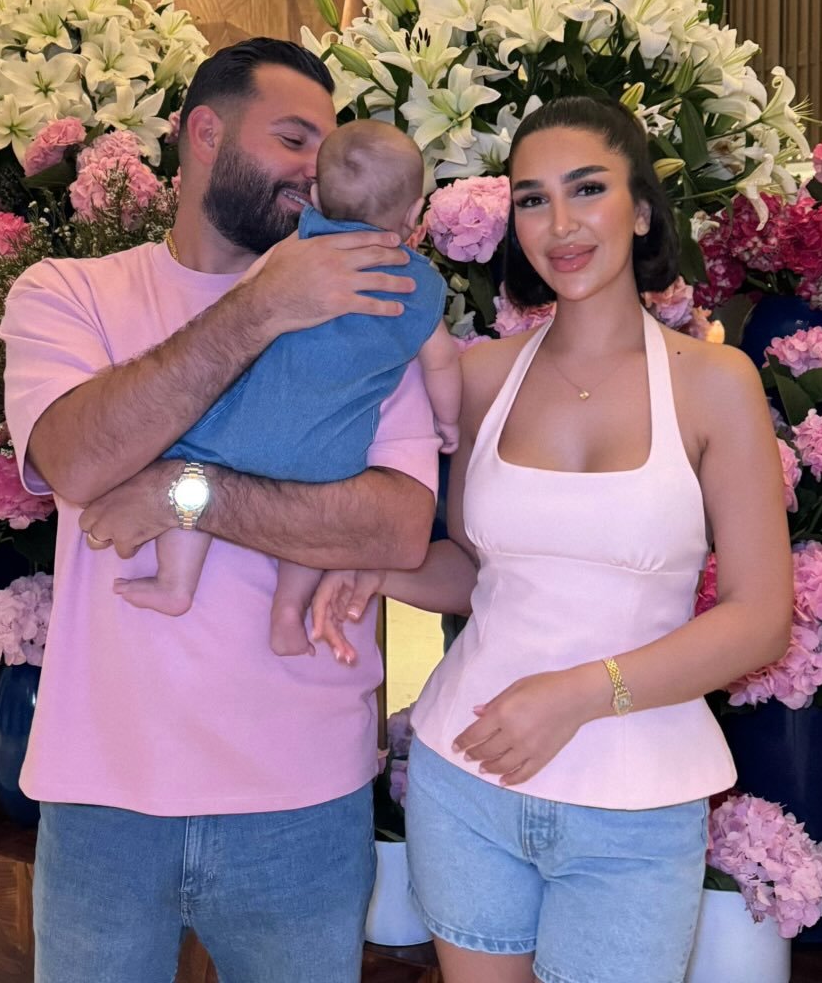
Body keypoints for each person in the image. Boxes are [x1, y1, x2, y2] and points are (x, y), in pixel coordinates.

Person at [313, 95, 793, 983]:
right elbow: (477, 570)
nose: (561, 225)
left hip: (636, 802)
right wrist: (374, 569)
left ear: (641, 210)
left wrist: (579, 695)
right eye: (532, 199)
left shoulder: (716, 383)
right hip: (467, 774)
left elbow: (761, 618)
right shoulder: (481, 376)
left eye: (588, 189)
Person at [0, 38, 441, 983]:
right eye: (293, 138)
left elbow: (396, 526)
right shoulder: (69, 293)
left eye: (325, 144)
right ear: (205, 133)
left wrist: (180, 494)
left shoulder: (365, 300)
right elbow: (76, 460)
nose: (316, 167)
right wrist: (261, 308)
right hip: (102, 792)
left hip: (303, 797)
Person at [116, 119, 460, 665]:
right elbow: (440, 361)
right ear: (415, 212)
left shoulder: (296, 250)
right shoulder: (418, 286)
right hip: (332, 450)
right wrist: (449, 423)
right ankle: (287, 614)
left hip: (245, 426)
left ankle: (175, 584)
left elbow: (246, 301)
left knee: (189, 455)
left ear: (316, 198)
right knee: (317, 531)